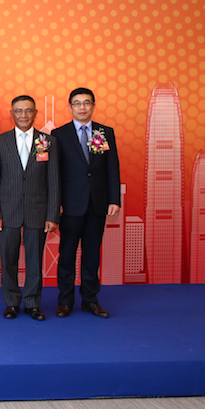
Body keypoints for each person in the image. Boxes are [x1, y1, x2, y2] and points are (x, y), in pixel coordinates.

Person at [0, 95, 59, 321]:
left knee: (34, 260)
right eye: (18, 111)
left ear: (35, 113)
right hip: (7, 212)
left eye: (28, 111)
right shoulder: (0, 141)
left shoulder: (47, 142)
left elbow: (53, 180)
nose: (23, 115)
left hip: (37, 210)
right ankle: (11, 302)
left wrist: (52, 214)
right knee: (9, 260)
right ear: (12, 114)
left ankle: (32, 303)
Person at [54, 88, 121, 319]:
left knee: (92, 254)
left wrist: (114, 199)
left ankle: (90, 300)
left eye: (86, 103)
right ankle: (65, 301)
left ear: (93, 105)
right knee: (67, 254)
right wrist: (57, 203)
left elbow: (112, 168)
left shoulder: (105, 132)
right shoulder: (58, 134)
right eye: (77, 103)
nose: (82, 107)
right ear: (70, 106)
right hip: (70, 205)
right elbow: (55, 174)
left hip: (97, 203)